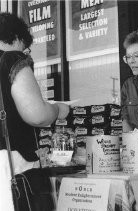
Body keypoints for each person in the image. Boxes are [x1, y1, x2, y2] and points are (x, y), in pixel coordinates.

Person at [0, 12, 69, 210]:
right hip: (10, 166)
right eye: (26, 47)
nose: (26, 53)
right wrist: (57, 109)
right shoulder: (11, 59)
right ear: (17, 38)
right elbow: (36, 115)